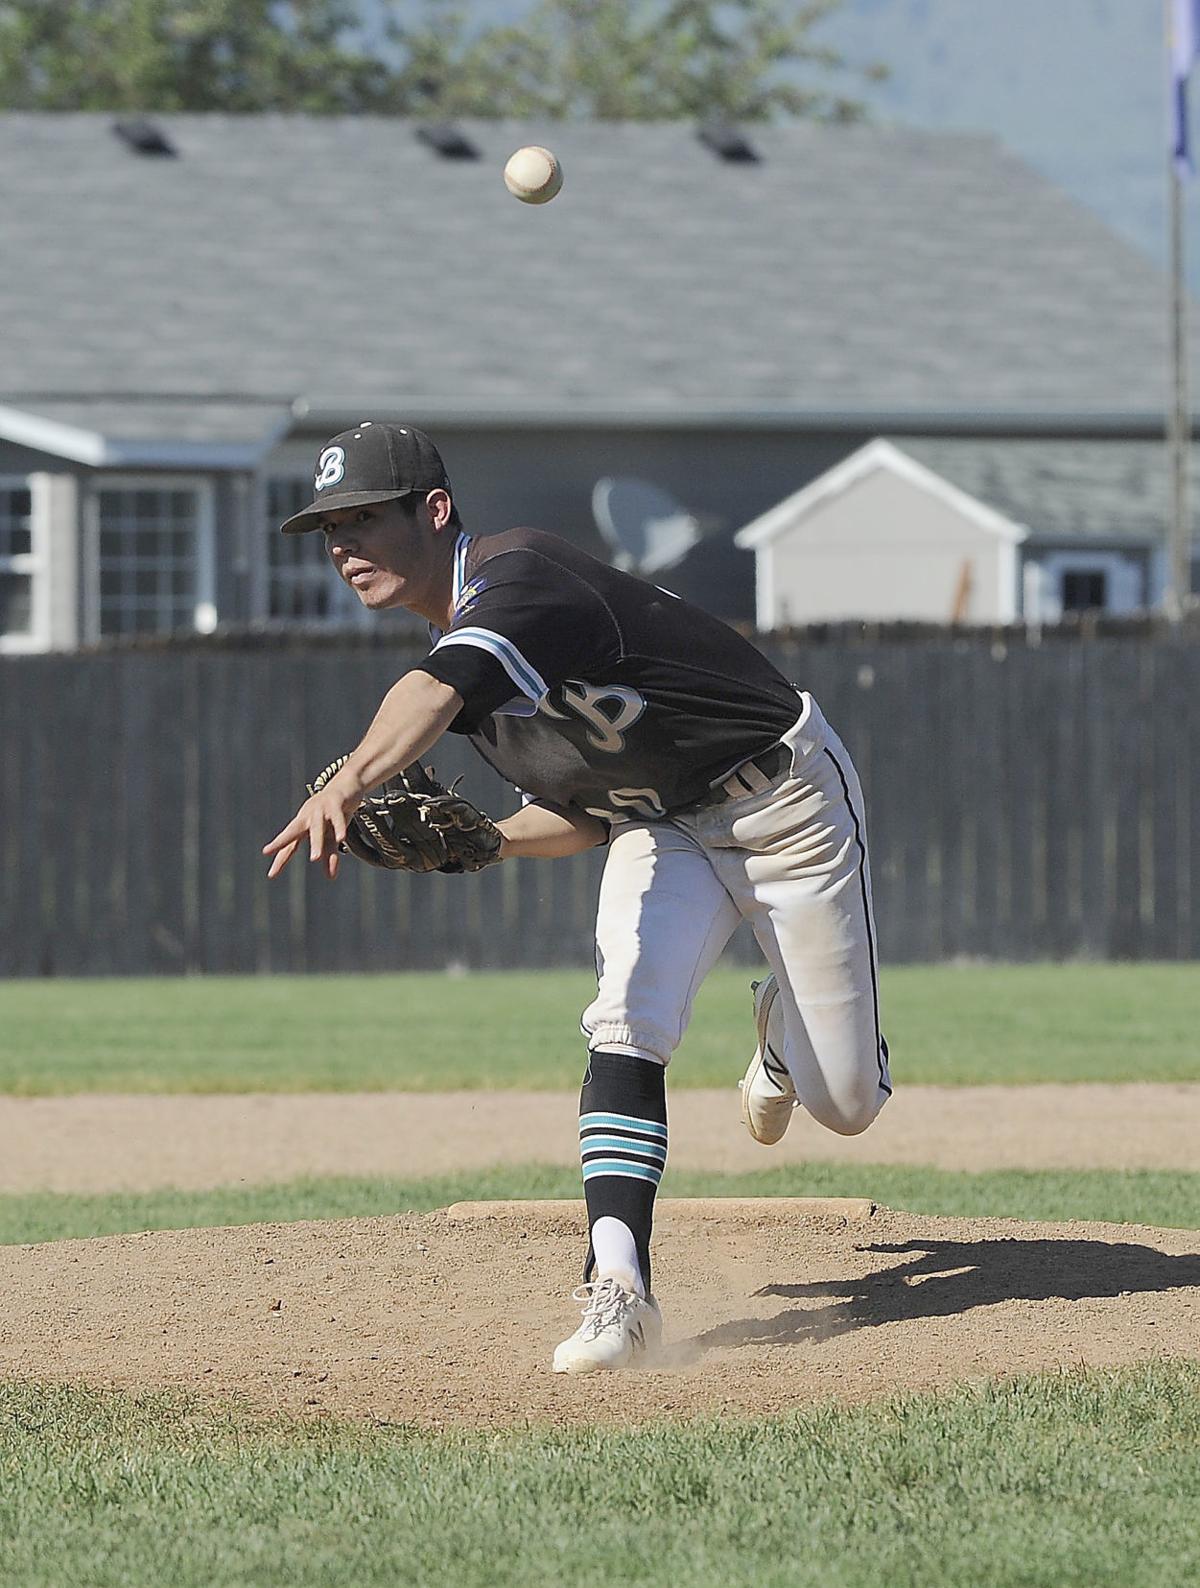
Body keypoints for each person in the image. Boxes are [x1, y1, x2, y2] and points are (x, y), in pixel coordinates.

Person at [264, 421, 892, 1375]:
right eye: (329, 530)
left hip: (784, 801)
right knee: (625, 1024)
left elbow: (434, 690)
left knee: (844, 1103)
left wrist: (345, 782)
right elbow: (585, 815)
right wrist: (486, 844)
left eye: (362, 519)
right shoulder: (475, 679)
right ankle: (620, 1292)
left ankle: (780, 1031)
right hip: (663, 824)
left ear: (434, 513)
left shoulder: (520, 576)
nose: (343, 546)